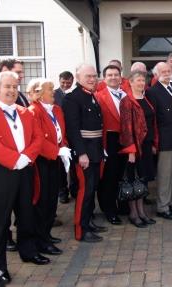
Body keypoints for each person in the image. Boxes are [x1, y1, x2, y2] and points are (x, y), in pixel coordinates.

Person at [0, 71, 47, 283]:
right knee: (0, 222)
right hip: (3, 172)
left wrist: (27, 157)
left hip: (25, 167)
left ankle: (28, 251)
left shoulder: (25, 112)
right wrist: (14, 159)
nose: (12, 90)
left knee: (26, 212)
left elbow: (38, 138)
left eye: (14, 87)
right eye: (7, 87)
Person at [63, 64, 106, 242]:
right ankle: (81, 230)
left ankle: (88, 221)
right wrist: (81, 153)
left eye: (94, 76)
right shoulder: (72, 98)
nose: (92, 79)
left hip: (95, 149)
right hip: (84, 152)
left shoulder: (92, 96)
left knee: (92, 188)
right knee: (84, 191)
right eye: (87, 76)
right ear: (78, 77)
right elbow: (73, 129)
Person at [28, 78, 71, 256]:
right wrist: (57, 151)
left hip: (55, 158)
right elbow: (37, 140)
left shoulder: (56, 109)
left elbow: (61, 133)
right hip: (42, 161)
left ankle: (46, 234)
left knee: (52, 199)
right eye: (49, 89)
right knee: (43, 201)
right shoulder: (33, 111)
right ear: (39, 93)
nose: (53, 92)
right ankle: (41, 240)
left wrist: (63, 148)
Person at [119, 70, 157, 228]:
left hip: (146, 145)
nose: (142, 83)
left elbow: (152, 123)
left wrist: (154, 143)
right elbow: (126, 128)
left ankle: (142, 211)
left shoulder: (146, 98)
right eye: (138, 80)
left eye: (143, 80)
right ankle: (134, 214)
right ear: (131, 82)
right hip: (134, 147)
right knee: (132, 180)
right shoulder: (127, 101)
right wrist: (131, 151)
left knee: (141, 179)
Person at [96, 65, 131, 225]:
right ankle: (109, 210)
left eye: (116, 74)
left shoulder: (126, 94)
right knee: (109, 177)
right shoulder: (99, 96)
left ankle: (121, 204)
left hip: (124, 139)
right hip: (108, 138)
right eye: (109, 75)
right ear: (104, 78)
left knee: (120, 175)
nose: (113, 77)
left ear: (120, 77)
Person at [146, 62, 172, 220]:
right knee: (165, 174)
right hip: (164, 139)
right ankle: (162, 206)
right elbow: (152, 120)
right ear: (156, 74)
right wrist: (155, 142)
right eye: (163, 71)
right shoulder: (152, 92)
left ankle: (170, 202)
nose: (167, 73)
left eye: (168, 71)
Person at [54, 71, 75, 204]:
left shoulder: (74, 95)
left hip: (72, 134)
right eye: (63, 82)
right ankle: (62, 192)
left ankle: (74, 189)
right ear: (59, 80)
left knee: (73, 164)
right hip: (60, 136)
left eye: (68, 82)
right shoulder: (54, 94)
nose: (66, 85)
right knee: (61, 166)